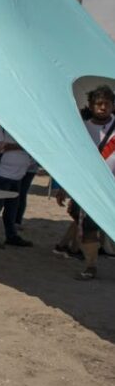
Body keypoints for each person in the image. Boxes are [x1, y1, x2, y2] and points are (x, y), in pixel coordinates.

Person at [54, 85, 115, 280]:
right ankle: (91, 265)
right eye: (99, 103)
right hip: (88, 188)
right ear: (91, 105)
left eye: (107, 103)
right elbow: (74, 160)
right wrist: (63, 187)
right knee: (88, 226)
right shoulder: (82, 129)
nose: (103, 107)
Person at [0, 121, 34, 248]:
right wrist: (22, 145)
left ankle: (11, 235)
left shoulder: (20, 127)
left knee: (12, 208)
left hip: (18, 174)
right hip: (2, 173)